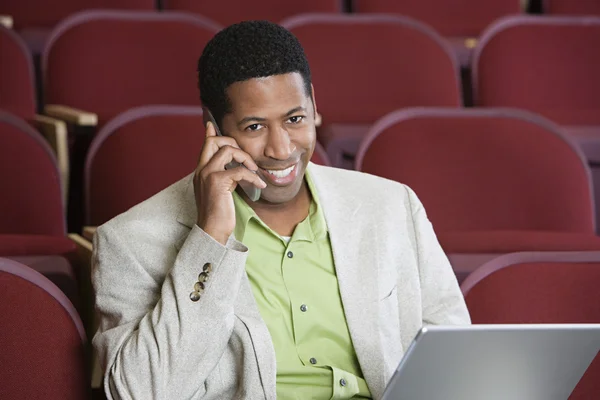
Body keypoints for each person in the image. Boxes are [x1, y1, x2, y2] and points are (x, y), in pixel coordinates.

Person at [92, 20, 470, 400]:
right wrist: (209, 238)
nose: (281, 148)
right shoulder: (130, 241)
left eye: (294, 119)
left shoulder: (391, 206)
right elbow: (137, 393)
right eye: (254, 126)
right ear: (212, 127)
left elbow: (457, 357)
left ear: (314, 106)